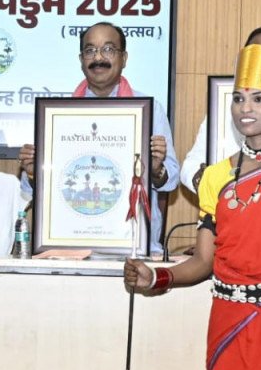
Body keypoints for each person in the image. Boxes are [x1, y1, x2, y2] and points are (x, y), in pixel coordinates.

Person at [123, 42, 261, 370]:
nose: (246, 108)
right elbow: (204, 261)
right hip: (229, 324)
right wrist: (157, 277)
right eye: (239, 98)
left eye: (259, 98)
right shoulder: (216, 177)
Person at [18, 22, 179, 252]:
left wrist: (156, 169)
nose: (98, 58)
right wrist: (34, 171)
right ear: (81, 59)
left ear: (124, 58)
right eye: (90, 50)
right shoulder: (57, 116)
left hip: (132, 247)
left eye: (108, 49)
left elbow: (171, 180)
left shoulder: (150, 111)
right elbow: (31, 189)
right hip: (70, 246)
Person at [180, 27, 261, 195]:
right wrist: (214, 188)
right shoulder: (228, 105)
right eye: (254, 52)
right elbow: (190, 167)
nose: (246, 108)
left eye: (258, 99)